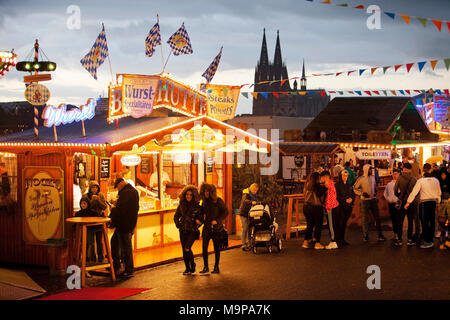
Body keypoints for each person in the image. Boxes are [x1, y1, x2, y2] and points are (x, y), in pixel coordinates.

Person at [405, 163, 441, 249]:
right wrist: (438, 202)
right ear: (430, 170)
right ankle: (430, 239)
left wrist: (408, 202)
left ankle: (428, 241)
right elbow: (439, 192)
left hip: (424, 203)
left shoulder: (420, 181)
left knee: (424, 222)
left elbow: (414, 192)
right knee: (432, 221)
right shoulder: (436, 180)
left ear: (423, 170)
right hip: (433, 202)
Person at [109, 178, 139, 278]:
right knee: (117, 243)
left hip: (124, 225)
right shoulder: (133, 191)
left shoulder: (125, 193)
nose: (117, 189)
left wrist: (113, 209)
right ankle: (119, 265)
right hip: (130, 224)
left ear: (121, 184)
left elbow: (121, 210)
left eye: (117, 187)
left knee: (126, 248)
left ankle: (128, 269)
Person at [199, 183, 228, 274]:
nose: (206, 193)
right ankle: (205, 267)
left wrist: (218, 220)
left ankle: (216, 267)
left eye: (207, 191)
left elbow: (225, 212)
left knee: (216, 249)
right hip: (207, 227)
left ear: (211, 192)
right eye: (204, 191)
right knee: (204, 248)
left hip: (216, 228)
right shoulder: (204, 202)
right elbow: (202, 213)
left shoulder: (218, 201)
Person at [174, 185, 203, 275]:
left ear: (194, 196)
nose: (188, 196)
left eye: (190, 195)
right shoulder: (181, 205)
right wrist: (178, 225)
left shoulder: (197, 207)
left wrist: (196, 222)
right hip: (183, 230)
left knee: (187, 248)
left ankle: (192, 264)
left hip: (192, 231)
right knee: (184, 249)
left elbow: (201, 220)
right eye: (187, 194)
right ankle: (187, 268)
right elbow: (176, 216)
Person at [353, 164, 386, 242]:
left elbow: (374, 187)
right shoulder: (360, 179)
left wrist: (375, 191)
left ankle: (380, 235)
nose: (371, 170)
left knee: (377, 218)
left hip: (373, 199)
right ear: (366, 170)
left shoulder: (372, 177)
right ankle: (365, 235)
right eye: (370, 169)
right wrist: (362, 193)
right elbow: (354, 188)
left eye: (371, 169)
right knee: (365, 219)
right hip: (364, 201)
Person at [75, 196, 102, 274]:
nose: (83, 205)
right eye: (81, 204)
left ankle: (87, 264)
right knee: (82, 248)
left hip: (90, 233)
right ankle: (83, 265)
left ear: (88, 204)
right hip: (81, 234)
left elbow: (97, 220)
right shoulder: (78, 213)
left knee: (89, 247)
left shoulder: (92, 212)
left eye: (84, 203)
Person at [394, 162, 419, 246]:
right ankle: (409, 239)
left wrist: (399, 196)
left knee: (400, 221)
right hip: (410, 202)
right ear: (410, 169)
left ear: (404, 168)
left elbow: (395, 190)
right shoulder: (414, 179)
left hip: (402, 202)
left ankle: (400, 239)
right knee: (410, 221)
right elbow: (416, 192)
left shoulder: (400, 178)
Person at [302, 172, 327, 250]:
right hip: (316, 207)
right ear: (317, 178)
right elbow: (319, 193)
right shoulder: (317, 185)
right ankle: (317, 243)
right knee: (318, 225)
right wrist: (326, 187)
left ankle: (305, 242)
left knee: (310, 225)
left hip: (306, 206)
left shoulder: (307, 185)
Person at [87, 181, 108, 263]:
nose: (94, 189)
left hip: (99, 219)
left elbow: (104, 207)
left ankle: (101, 258)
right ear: (90, 188)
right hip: (90, 220)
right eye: (92, 187)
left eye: (95, 187)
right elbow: (86, 208)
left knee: (99, 240)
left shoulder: (101, 195)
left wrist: (98, 200)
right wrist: (92, 201)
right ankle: (92, 258)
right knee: (91, 240)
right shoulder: (86, 196)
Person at [335, 170, 355, 247]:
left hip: (348, 207)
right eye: (344, 175)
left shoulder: (349, 185)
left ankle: (342, 239)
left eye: (346, 176)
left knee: (344, 223)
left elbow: (353, 194)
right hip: (340, 207)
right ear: (340, 176)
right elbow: (336, 196)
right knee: (340, 223)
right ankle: (338, 239)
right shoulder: (337, 185)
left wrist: (351, 199)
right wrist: (344, 200)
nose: (345, 177)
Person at [320, 171, 340, 249]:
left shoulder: (328, 184)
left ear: (325, 177)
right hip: (335, 206)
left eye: (321, 177)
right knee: (334, 225)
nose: (321, 179)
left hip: (331, 207)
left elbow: (330, 198)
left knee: (331, 225)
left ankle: (333, 241)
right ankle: (334, 240)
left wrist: (328, 207)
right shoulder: (332, 183)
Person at [238, 183, 259, 251]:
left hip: (250, 213)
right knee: (245, 228)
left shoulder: (254, 195)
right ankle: (243, 244)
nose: (255, 192)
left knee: (250, 228)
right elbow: (245, 200)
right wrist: (251, 202)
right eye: (254, 190)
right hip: (243, 213)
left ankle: (250, 244)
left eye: (256, 191)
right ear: (251, 188)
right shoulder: (246, 193)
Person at [383, 169, 401, 242]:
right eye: (393, 174)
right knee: (393, 219)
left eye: (396, 174)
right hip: (391, 203)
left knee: (398, 219)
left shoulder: (400, 183)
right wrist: (388, 199)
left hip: (398, 204)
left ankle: (399, 235)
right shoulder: (389, 184)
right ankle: (395, 234)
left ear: (399, 174)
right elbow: (385, 193)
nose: (394, 175)